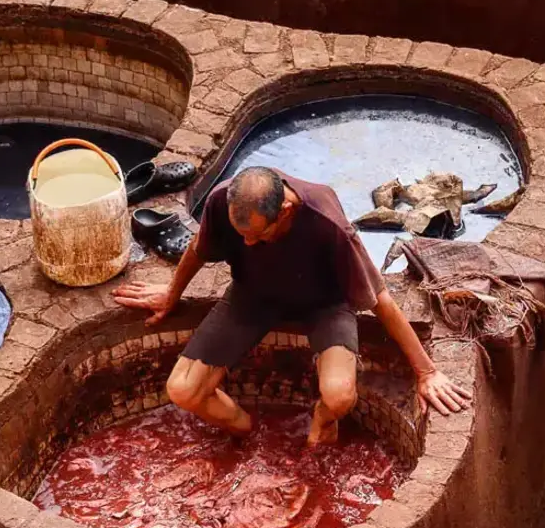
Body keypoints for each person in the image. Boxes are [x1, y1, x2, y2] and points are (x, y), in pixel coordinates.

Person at [113, 166, 472, 445]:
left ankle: (322, 421)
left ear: (285, 210)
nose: (248, 244)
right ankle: (248, 434)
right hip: (252, 295)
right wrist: (171, 294)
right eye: (242, 235)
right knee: (182, 389)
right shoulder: (224, 200)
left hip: (325, 304)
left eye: (258, 235)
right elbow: (198, 249)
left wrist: (426, 372)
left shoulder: (327, 222)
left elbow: (381, 300)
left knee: (338, 397)